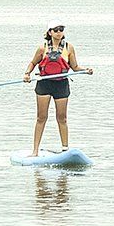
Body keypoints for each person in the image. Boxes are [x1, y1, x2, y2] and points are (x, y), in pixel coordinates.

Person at [22, 21, 93, 157]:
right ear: (50, 32)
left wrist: (85, 70)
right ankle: (35, 151)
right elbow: (33, 63)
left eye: (61, 29)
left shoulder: (69, 48)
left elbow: (75, 67)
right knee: (41, 117)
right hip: (44, 84)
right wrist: (27, 74)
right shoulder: (42, 48)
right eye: (56, 30)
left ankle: (65, 149)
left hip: (61, 85)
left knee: (62, 118)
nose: (59, 32)